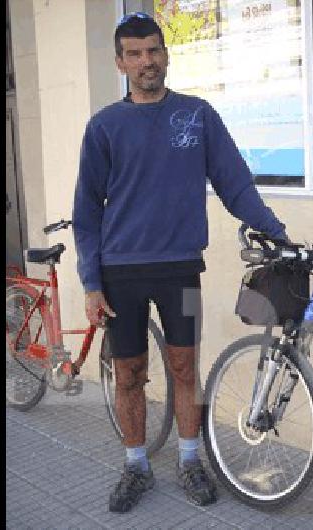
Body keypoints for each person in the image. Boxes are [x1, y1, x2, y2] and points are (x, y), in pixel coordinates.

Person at [72, 12, 288, 513]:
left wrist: (276, 231)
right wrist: (90, 281)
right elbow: (85, 213)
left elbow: (235, 184)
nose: (147, 61)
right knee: (128, 373)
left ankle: (190, 460)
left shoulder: (197, 115)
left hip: (181, 268)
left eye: (154, 50)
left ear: (165, 54)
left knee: (185, 365)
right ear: (120, 62)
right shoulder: (104, 126)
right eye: (135, 53)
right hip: (120, 271)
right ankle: (136, 466)